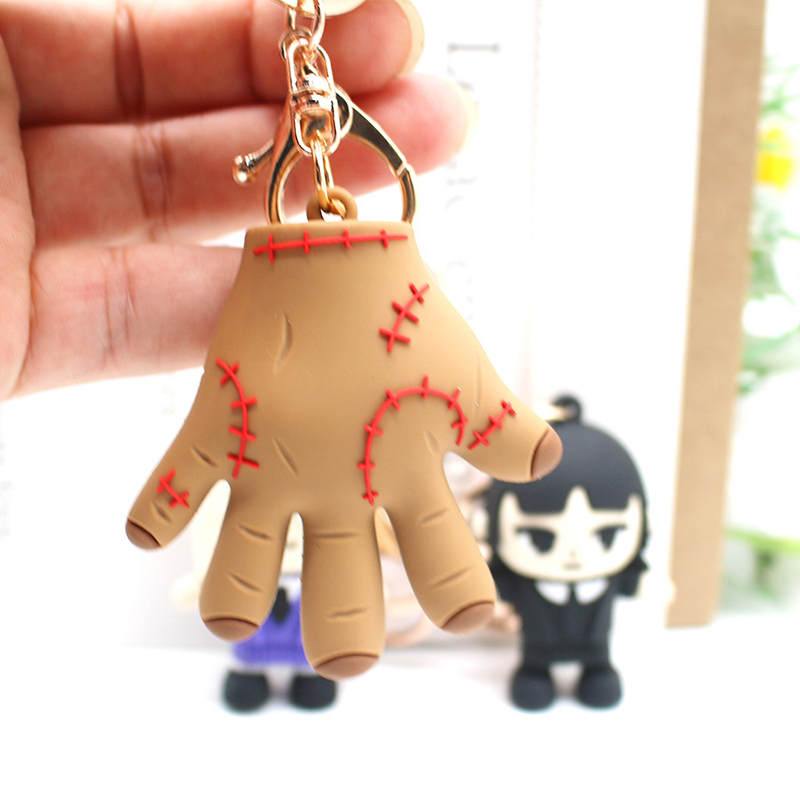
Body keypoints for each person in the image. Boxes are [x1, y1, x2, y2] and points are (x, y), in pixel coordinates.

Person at [0, 0, 475, 402]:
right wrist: (262, 162)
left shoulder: (333, 111)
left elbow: (393, 167)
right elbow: (353, 168)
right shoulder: (303, 114)